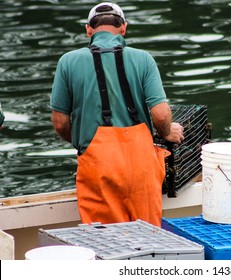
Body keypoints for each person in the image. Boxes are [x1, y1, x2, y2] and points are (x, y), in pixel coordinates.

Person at [50, 2, 184, 227]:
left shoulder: (68, 61)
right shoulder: (143, 59)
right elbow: (160, 115)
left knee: (105, 243)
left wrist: (84, 142)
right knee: (149, 239)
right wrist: (168, 132)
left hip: (97, 166)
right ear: (124, 28)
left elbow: (60, 122)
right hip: (142, 164)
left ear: (88, 30)